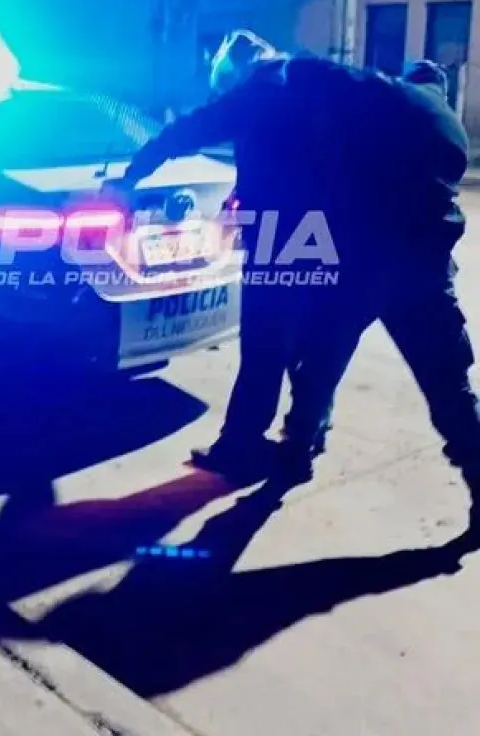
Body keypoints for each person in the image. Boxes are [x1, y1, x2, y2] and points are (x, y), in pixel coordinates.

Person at [105, 31, 338, 484]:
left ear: (234, 74)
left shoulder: (257, 93)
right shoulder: (307, 86)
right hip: (331, 232)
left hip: (283, 235)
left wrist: (129, 178)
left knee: (265, 345)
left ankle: (239, 448)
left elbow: (184, 132)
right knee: (314, 342)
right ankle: (307, 436)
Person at [281, 58, 480, 537]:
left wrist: (283, 63)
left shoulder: (392, 95)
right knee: (450, 390)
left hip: (358, 267)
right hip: (425, 276)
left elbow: (309, 71)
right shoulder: (452, 128)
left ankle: (297, 452)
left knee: (318, 362)